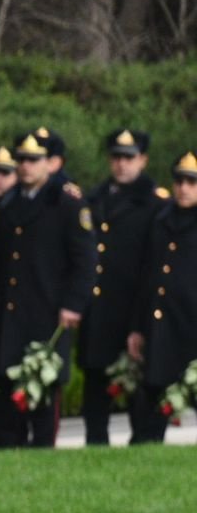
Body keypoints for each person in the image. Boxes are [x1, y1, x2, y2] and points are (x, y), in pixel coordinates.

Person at [0, 132, 97, 448]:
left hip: (46, 311)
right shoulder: (8, 202)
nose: (26, 167)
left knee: (42, 394)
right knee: (7, 394)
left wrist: (74, 304)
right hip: (11, 310)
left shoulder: (66, 203)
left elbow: (85, 261)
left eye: (33, 160)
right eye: (22, 160)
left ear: (49, 164)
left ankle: (44, 452)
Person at [80, 129, 165, 445]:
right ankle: (95, 449)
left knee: (137, 397)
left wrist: (140, 323)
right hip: (98, 313)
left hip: (132, 313)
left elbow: (153, 268)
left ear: (142, 160)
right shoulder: (95, 198)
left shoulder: (155, 204)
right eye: (116, 157)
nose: (121, 164)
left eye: (129, 158)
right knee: (95, 392)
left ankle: (142, 452)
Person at [126, 151, 197, 443]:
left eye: (192, 182)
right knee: (153, 397)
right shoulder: (161, 220)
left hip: (192, 326)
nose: (184, 188)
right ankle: (145, 449)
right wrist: (137, 327)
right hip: (163, 327)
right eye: (179, 181)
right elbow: (146, 277)